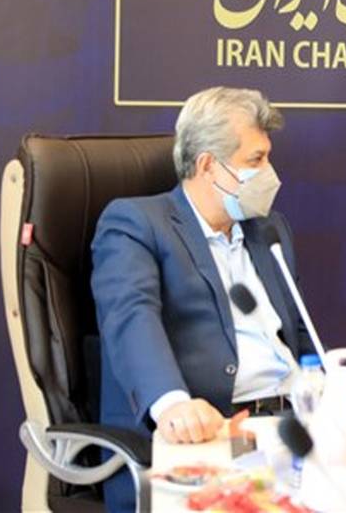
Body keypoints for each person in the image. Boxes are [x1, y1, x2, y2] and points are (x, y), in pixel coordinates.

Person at [92, 87, 315, 511]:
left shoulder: (269, 229)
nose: (270, 174)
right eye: (256, 160)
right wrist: (173, 404)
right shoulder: (136, 223)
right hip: (216, 434)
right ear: (209, 165)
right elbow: (131, 317)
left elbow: (299, 332)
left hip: (293, 429)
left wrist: (329, 384)